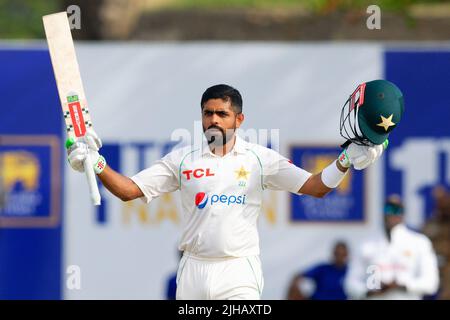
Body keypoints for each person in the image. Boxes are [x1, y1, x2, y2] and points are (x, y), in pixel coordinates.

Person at [65, 82, 394, 300]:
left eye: (222, 114)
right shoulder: (182, 159)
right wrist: (95, 163)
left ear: (238, 119)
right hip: (193, 269)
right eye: (208, 113)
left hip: (238, 269)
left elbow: (314, 187)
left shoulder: (259, 159)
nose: (214, 120)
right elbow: (129, 190)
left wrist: (345, 159)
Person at [344, 195, 440, 300]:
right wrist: (369, 291)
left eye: (397, 210)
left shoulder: (420, 242)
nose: (392, 214)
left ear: (403, 213)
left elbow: (431, 283)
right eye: (388, 209)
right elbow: (350, 283)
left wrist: (402, 285)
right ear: (383, 212)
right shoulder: (366, 244)